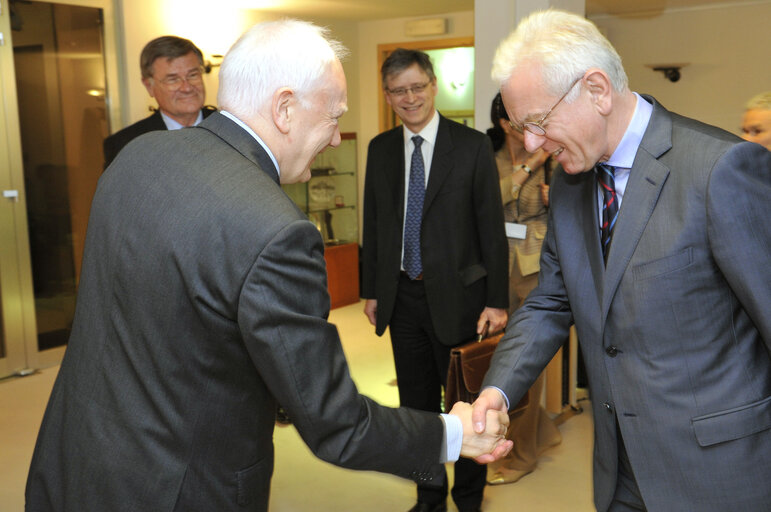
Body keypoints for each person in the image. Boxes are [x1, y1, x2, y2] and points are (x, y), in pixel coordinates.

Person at [25, 20, 513, 512]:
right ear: (284, 108)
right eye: (333, 116)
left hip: (74, 459)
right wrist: (453, 433)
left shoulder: (135, 157)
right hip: (179, 487)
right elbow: (338, 424)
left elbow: (172, 317)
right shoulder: (276, 230)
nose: (336, 139)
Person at [472, 9, 771, 512]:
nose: (530, 144)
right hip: (620, 473)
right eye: (523, 128)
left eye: (539, 123)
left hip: (721, 476)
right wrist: (496, 393)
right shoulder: (569, 183)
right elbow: (549, 302)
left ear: (596, 90)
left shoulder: (720, 170)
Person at [361, 48, 509, 512]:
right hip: (402, 297)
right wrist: (371, 289)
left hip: (462, 299)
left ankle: (468, 498)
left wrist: (497, 300)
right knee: (416, 407)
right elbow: (375, 224)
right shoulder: (380, 149)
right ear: (387, 96)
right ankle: (429, 496)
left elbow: (491, 227)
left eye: (417, 87)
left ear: (433, 86)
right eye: (398, 91)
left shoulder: (470, 146)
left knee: (469, 409)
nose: (410, 98)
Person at [484, 93, 562, 486]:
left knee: (525, 365)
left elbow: (576, 205)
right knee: (495, 361)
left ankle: (523, 455)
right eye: (519, 121)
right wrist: (534, 161)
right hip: (494, 268)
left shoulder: (556, 158)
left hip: (535, 268)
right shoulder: (488, 155)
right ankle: (537, 436)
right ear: (502, 124)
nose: (529, 128)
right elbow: (491, 198)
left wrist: (556, 196)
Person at [102, 35, 216, 168]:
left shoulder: (233, 129)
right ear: (149, 86)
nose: (187, 87)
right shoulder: (126, 145)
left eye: (193, 75)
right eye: (173, 79)